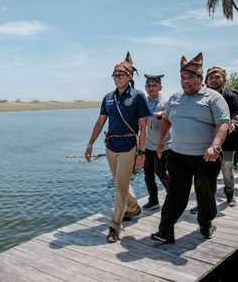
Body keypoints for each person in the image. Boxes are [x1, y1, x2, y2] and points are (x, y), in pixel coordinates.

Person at [150, 52, 230, 243]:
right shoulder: (175, 97)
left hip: (205, 156)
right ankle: (166, 231)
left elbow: (223, 124)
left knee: (205, 193)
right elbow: (167, 119)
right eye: (182, 78)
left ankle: (205, 222)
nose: (185, 82)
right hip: (178, 155)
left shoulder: (213, 97)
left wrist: (215, 147)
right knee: (175, 194)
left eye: (190, 78)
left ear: (200, 78)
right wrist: (160, 141)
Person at [85, 52, 149, 243]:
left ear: (130, 77)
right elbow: (100, 123)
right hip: (110, 146)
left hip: (129, 146)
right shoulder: (108, 98)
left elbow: (143, 127)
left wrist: (141, 152)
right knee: (120, 183)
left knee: (120, 189)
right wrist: (90, 144)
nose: (117, 78)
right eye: (115, 75)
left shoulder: (138, 96)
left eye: (121, 75)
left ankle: (114, 226)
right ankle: (135, 208)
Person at [204, 67, 238, 207]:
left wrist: (232, 123)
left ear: (224, 79)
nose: (214, 80)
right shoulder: (202, 96)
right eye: (211, 78)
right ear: (206, 80)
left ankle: (230, 193)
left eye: (217, 77)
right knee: (207, 172)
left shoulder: (232, 95)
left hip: (228, 139)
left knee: (227, 169)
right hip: (207, 140)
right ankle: (206, 200)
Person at [142, 73, 170, 211]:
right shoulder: (143, 102)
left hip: (163, 144)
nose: (151, 88)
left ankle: (173, 196)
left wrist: (163, 114)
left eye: (154, 85)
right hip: (147, 144)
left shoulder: (166, 102)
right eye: (149, 85)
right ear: (145, 87)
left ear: (160, 87)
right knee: (147, 174)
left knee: (160, 172)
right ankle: (153, 200)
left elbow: (173, 116)